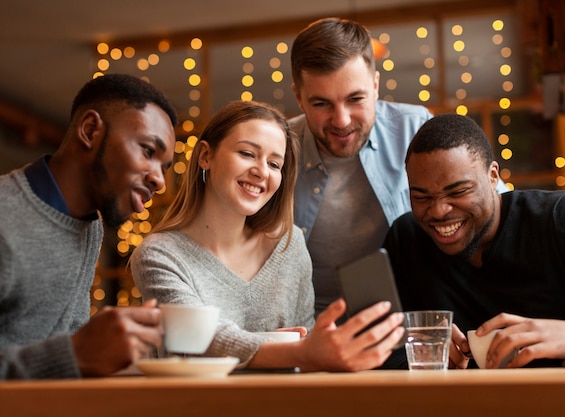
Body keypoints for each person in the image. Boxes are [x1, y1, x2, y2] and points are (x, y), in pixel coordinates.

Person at [130, 100, 404, 372]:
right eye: (248, 154)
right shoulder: (158, 254)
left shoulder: (289, 244)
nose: (262, 172)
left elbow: (304, 353)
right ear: (205, 156)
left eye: (274, 164)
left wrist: (304, 350)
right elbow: (202, 339)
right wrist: (295, 350)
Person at [288, 17, 508, 317]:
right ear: (299, 97)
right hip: (310, 325)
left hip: (415, 319)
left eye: (355, 99)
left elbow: (500, 209)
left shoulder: (416, 128)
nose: (341, 120)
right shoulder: (278, 149)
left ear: (376, 85)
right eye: (321, 104)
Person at [383, 113, 565, 369]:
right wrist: (416, 353)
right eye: (421, 197)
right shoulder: (406, 238)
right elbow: (380, 352)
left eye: (458, 192)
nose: (439, 211)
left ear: (493, 176)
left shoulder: (564, 218)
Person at [0, 73, 178, 379]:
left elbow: (66, 347)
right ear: (90, 130)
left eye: (164, 167)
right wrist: (75, 355)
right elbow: (68, 357)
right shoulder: (6, 216)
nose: (159, 181)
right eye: (148, 150)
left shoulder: (89, 226)